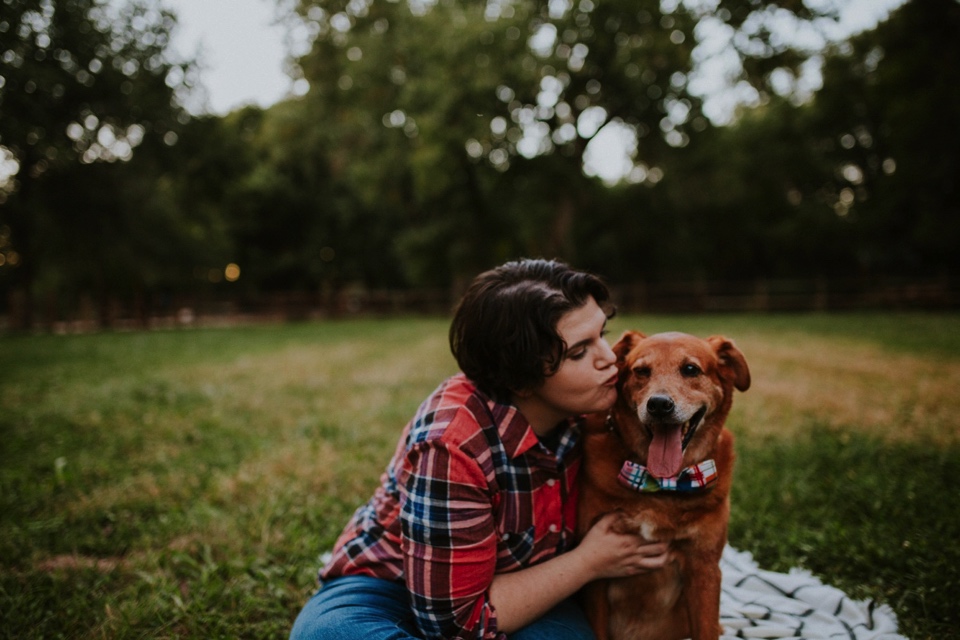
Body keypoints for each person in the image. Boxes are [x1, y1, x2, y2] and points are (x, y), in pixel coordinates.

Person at [290, 258, 670, 640]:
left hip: (530, 584)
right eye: (579, 352)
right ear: (520, 378)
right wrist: (589, 562)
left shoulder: (598, 402)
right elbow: (454, 623)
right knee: (329, 633)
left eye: (602, 333)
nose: (609, 358)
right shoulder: (450, 446)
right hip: (391, 586)